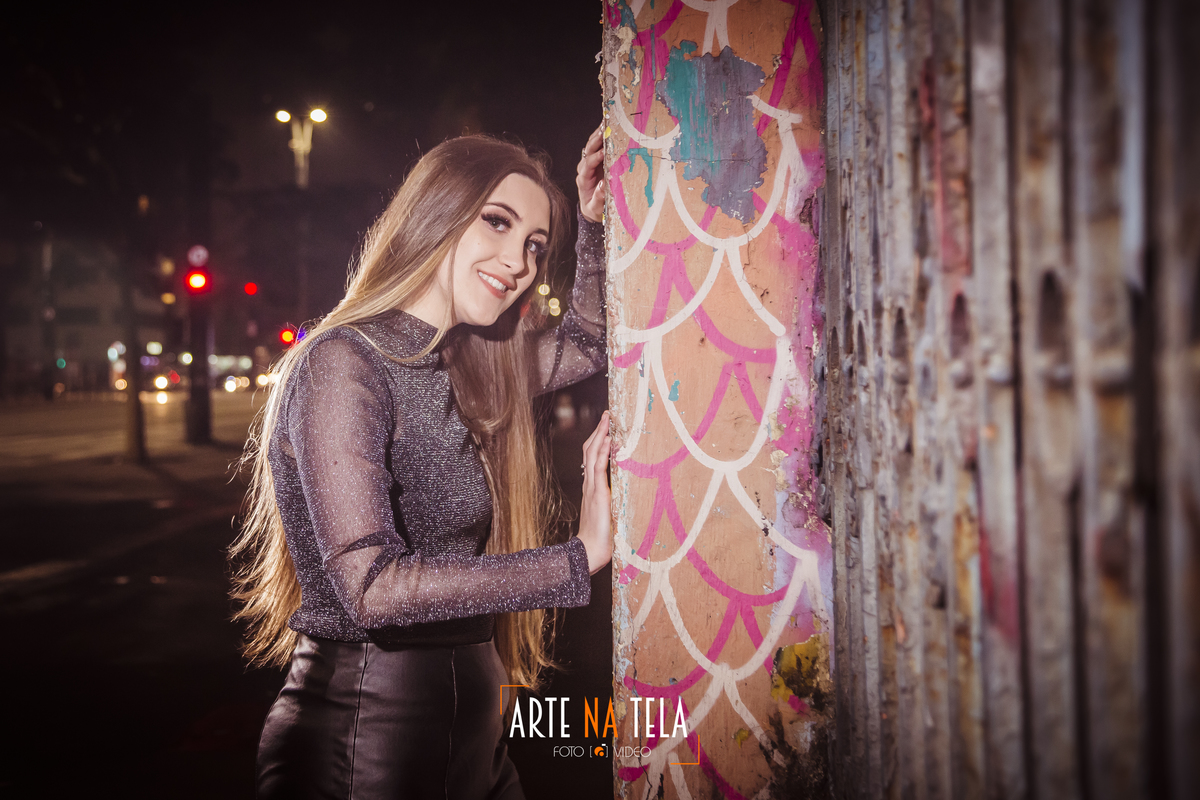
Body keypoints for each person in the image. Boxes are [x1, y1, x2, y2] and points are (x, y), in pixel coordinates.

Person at [230, 130, 611, 799]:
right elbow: (371, 589)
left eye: (535, 245)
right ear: (437, 213)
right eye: (497, 222)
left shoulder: (471, 367)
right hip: (366, 740)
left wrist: (595, 225)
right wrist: (575, 558)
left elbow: (589, 341)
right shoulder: (344, 362)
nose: (519, 262)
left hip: (474, 733)